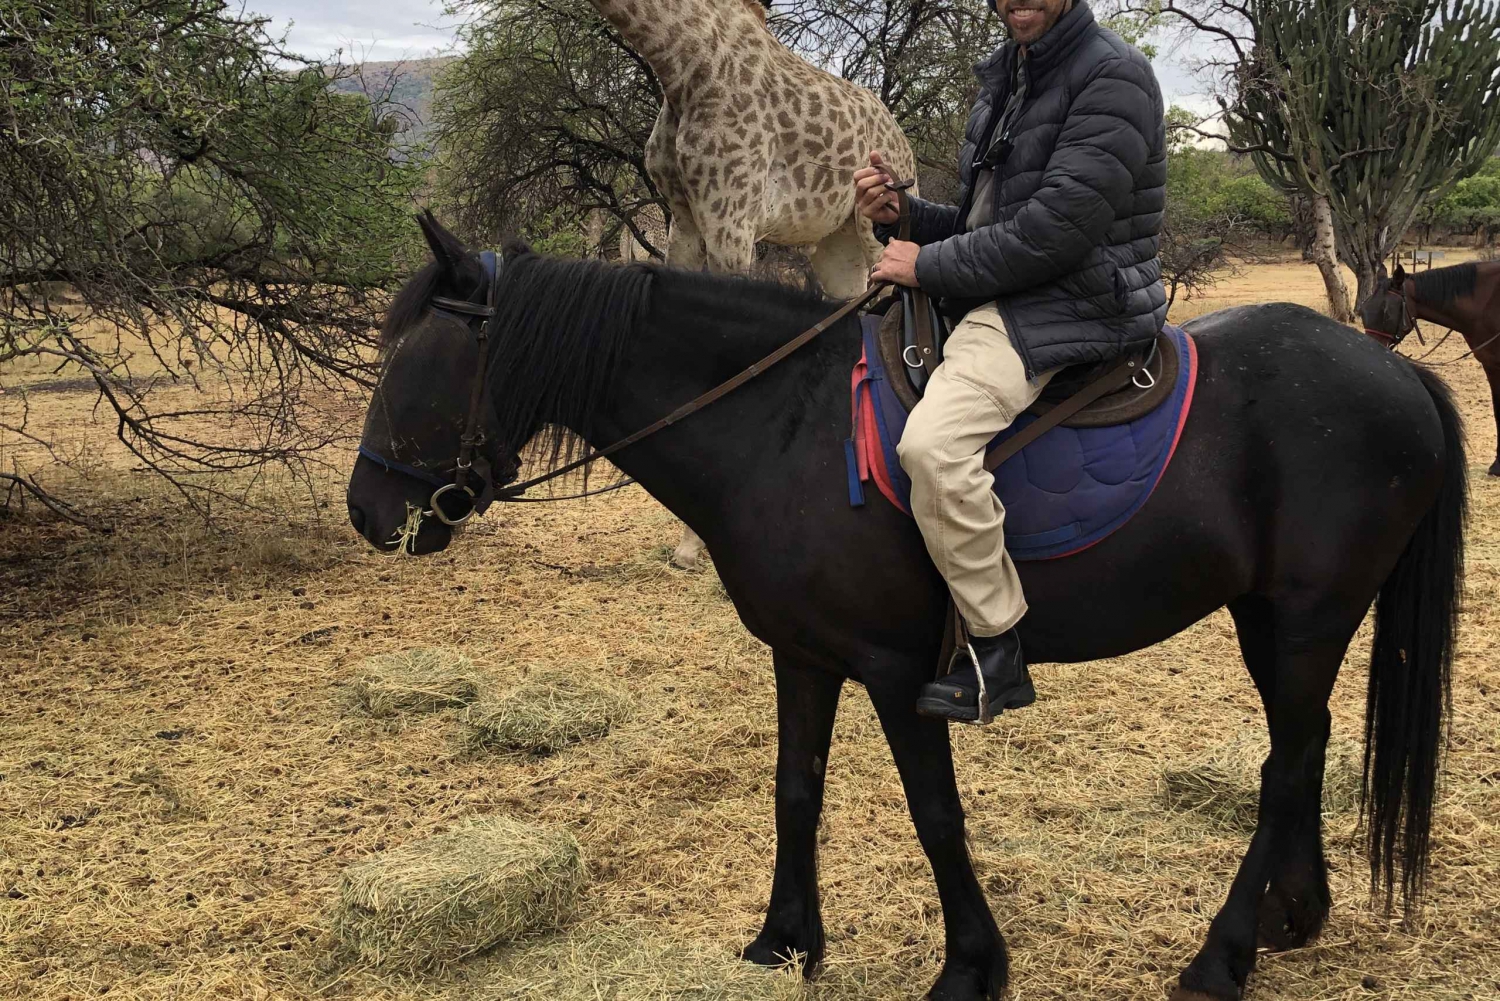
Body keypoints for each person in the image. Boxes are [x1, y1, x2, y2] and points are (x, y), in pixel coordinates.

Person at [853, 0, 1167, 724]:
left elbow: (1053, 233)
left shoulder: (1115, 76)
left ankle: (996, 645)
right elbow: (982, 226)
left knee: (932, 447)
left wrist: (926, 265)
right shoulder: (1008, 74)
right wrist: (902, 216)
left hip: (1069, 300)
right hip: (1011, 287)